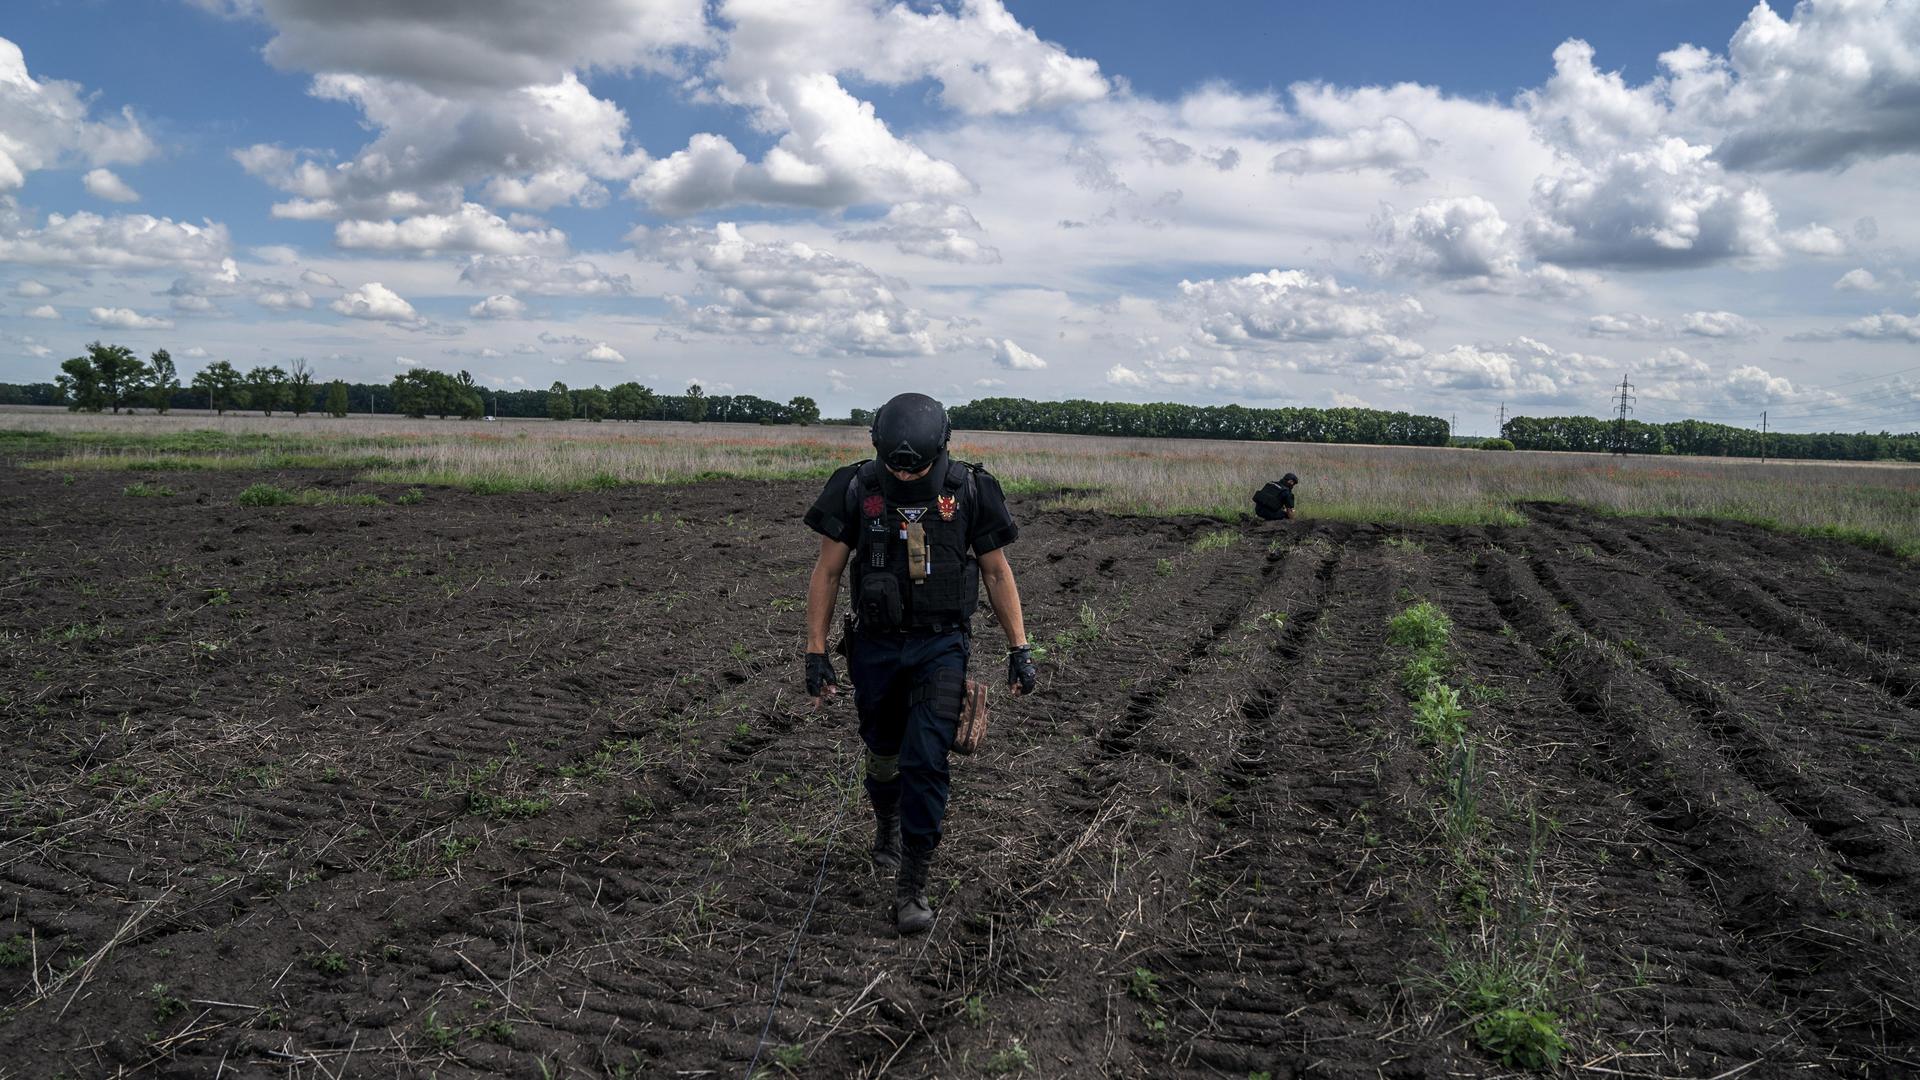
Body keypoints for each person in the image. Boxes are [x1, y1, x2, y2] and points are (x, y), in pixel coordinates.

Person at [801, 393, 1037, 935]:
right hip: (876, 648)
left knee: (926, 758)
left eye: (918, 466)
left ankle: (913, 882)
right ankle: (885, 822)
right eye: (896, 464)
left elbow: (997, 573)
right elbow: (829, 573)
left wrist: (1019, 647)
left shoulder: (971, 490)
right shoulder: (856, 487)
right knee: (883, 751)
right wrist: (816, 653)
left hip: (941, 645)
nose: (906, 474)